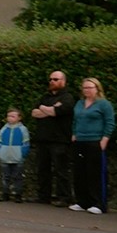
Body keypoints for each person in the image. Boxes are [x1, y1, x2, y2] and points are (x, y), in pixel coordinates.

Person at [29, 71, 75, 207]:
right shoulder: (45, 97)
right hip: (43, 138)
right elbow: (34, 113)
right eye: (50, 79)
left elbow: (59, 112)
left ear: (63, 81)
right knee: (43, 169)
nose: (52, 82)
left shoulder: (67, 98)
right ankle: (43, 196)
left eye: (55, 79)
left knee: (61, 170)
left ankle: (64, 197)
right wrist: (49, 110)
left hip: (60, 140)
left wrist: (45, 110)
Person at [69, 77, 115, 215]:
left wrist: (104, 139)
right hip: (80, 140)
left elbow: (110, 122)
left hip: (95, 141)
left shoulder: (104, 104)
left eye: (90, 87)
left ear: (97, 89)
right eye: (85, 88)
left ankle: (98, 203)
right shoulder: (79, 103)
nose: (87, 90)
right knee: (80, 172)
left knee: (94, 173)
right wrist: (74, 133)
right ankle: (82, 202)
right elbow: (75, 120)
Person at [0, 107, 30, 202]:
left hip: (18, 158)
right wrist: (0, 152)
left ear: (19, 118)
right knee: (5, 177)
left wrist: (22, 154)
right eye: (9, 116)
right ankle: (5, 194)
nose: (10, 118)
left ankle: (18, 195)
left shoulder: (23, 129)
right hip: (5, 157)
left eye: (13, 116)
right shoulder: (3, 129)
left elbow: (25, 143)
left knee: (17, 177)